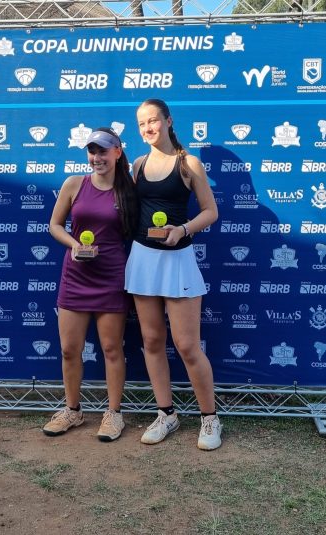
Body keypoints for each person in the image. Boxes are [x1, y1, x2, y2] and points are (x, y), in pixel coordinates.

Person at [125, 99, 222, 450]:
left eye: (153, 120)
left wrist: (182, 230)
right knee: (152, 341)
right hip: (142, 259)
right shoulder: (137, 165)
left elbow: (210, 211)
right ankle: (166, 414)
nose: (148, 128)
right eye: (142, 124)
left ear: (168, 121)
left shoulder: (188, 163)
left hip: (178, 260)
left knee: (187, 345)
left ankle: (210, 418)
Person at [43, 127, 139, 442]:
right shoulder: (74, 184)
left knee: (112, 348)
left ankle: (114, 414)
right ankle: (72, 410)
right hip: (75, 276)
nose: (97, 157)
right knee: (69, 349)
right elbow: (55, 225)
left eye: (103, 151)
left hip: (112, 276)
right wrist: (74, 245)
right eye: (92, 151)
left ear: (117, 153)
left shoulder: (129, 189)